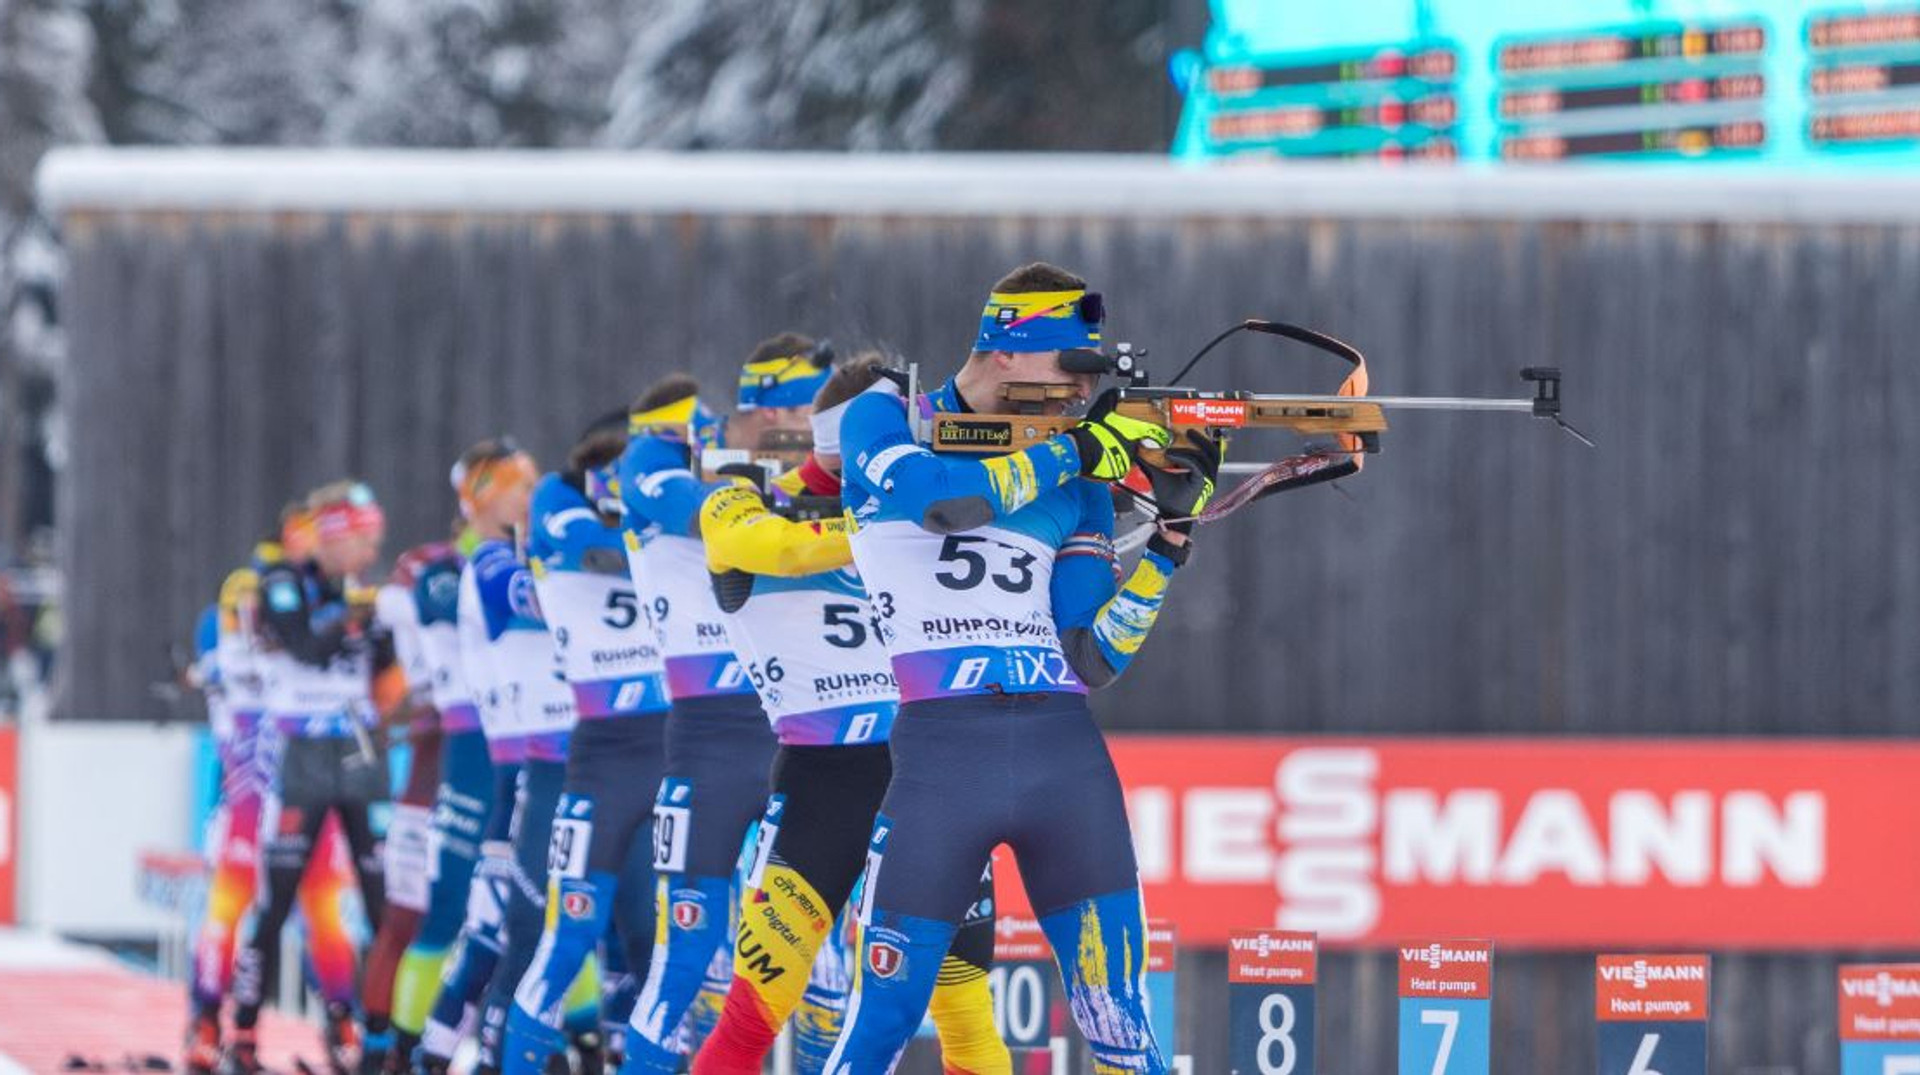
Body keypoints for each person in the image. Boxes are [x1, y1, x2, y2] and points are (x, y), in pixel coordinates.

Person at [823, 263, 1221, 1072]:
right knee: (885, 1019)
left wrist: (1169, 547)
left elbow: (1091, 654)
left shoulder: (1075, 482)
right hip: (942, 758)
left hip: (1061, 753)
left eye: (1089, 379)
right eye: (1068, 370)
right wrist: (1078, 449)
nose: (1079, 393)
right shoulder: (885, 415)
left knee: (1119, 1021)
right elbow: (937, 500)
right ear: (1005, 348)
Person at [690, 356, 1008, 1074]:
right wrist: (879, 525)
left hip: (927, 778)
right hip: (821, 790)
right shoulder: (742, 503)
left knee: (966, 1017)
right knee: (752, 1015)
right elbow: (771, 547)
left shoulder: (926, 504)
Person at [615, 339, 827, 1074]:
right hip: (706, 745)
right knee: (683, 967)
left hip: (792, 731)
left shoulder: (804, 466)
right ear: (769, 408)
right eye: (805, 408)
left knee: (817, 974)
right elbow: (698, 508)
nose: (814, 423)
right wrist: (771, 489)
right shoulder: (650, 460)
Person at [418, 440, 595, 1074]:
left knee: (537, 928)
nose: (534, 493)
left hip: (556, 763)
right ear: (487, 497)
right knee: (495, 933)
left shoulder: (523, 554)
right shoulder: (487, 564)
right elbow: (540, 599)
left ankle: (539, 1047)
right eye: (521, 485)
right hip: (515, 768)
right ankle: (443, 1056)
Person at [501, 414, 671, 1074]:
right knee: (567, 937)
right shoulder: (556, 499)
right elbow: (599, 552)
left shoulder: (657, 514)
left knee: (658, 945)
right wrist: (659, 520)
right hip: (601, 754)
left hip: (671, 748)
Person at [233, 483, 395, 1075]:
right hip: (300, 756)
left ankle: (379, 1039)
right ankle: (243, 1036)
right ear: (335, 536)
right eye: (363, 540)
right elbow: (304, 644)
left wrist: (380, 624)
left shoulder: (361, 593)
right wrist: (357, 616)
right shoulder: (281, 582)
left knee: (386, 908)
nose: (370, 554)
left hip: (358, 753)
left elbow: (388, 664)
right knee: (274, 906)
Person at [361, 537, 468, 1074]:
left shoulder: (423, 577)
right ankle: (388, 1052)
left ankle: (383, 1052)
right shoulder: (434, 572)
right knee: (415, 927)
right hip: (446, 783)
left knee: (409, 927)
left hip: (436, 782)